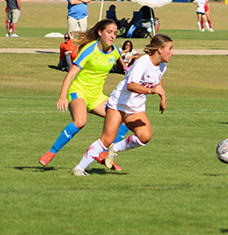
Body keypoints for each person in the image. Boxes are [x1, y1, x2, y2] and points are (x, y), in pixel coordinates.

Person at [74, 34, 173, 176]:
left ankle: (115, 148)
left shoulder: (162, 66)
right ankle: (79, 168)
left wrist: (162, 97)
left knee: (145, 136)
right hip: (118, 104)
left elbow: (157, 79)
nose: (172, 52)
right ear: (160, 49)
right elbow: (131, 85)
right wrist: (151, 91)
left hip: (135, 107)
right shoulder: (142, 62)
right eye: (170, 49)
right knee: (106, 139)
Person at [38, 19, 127, 169]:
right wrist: (62, 96)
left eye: (115, 33)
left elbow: (124, 70)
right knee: (80, 121)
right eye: (109, 32)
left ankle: (103, 154)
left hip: (96, 97)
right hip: (78, 92)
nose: (112, 36)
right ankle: (50, 153)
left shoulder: (116, 52)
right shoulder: (90, 49)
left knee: (123, 119)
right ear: (100, 33)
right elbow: (70, 75)